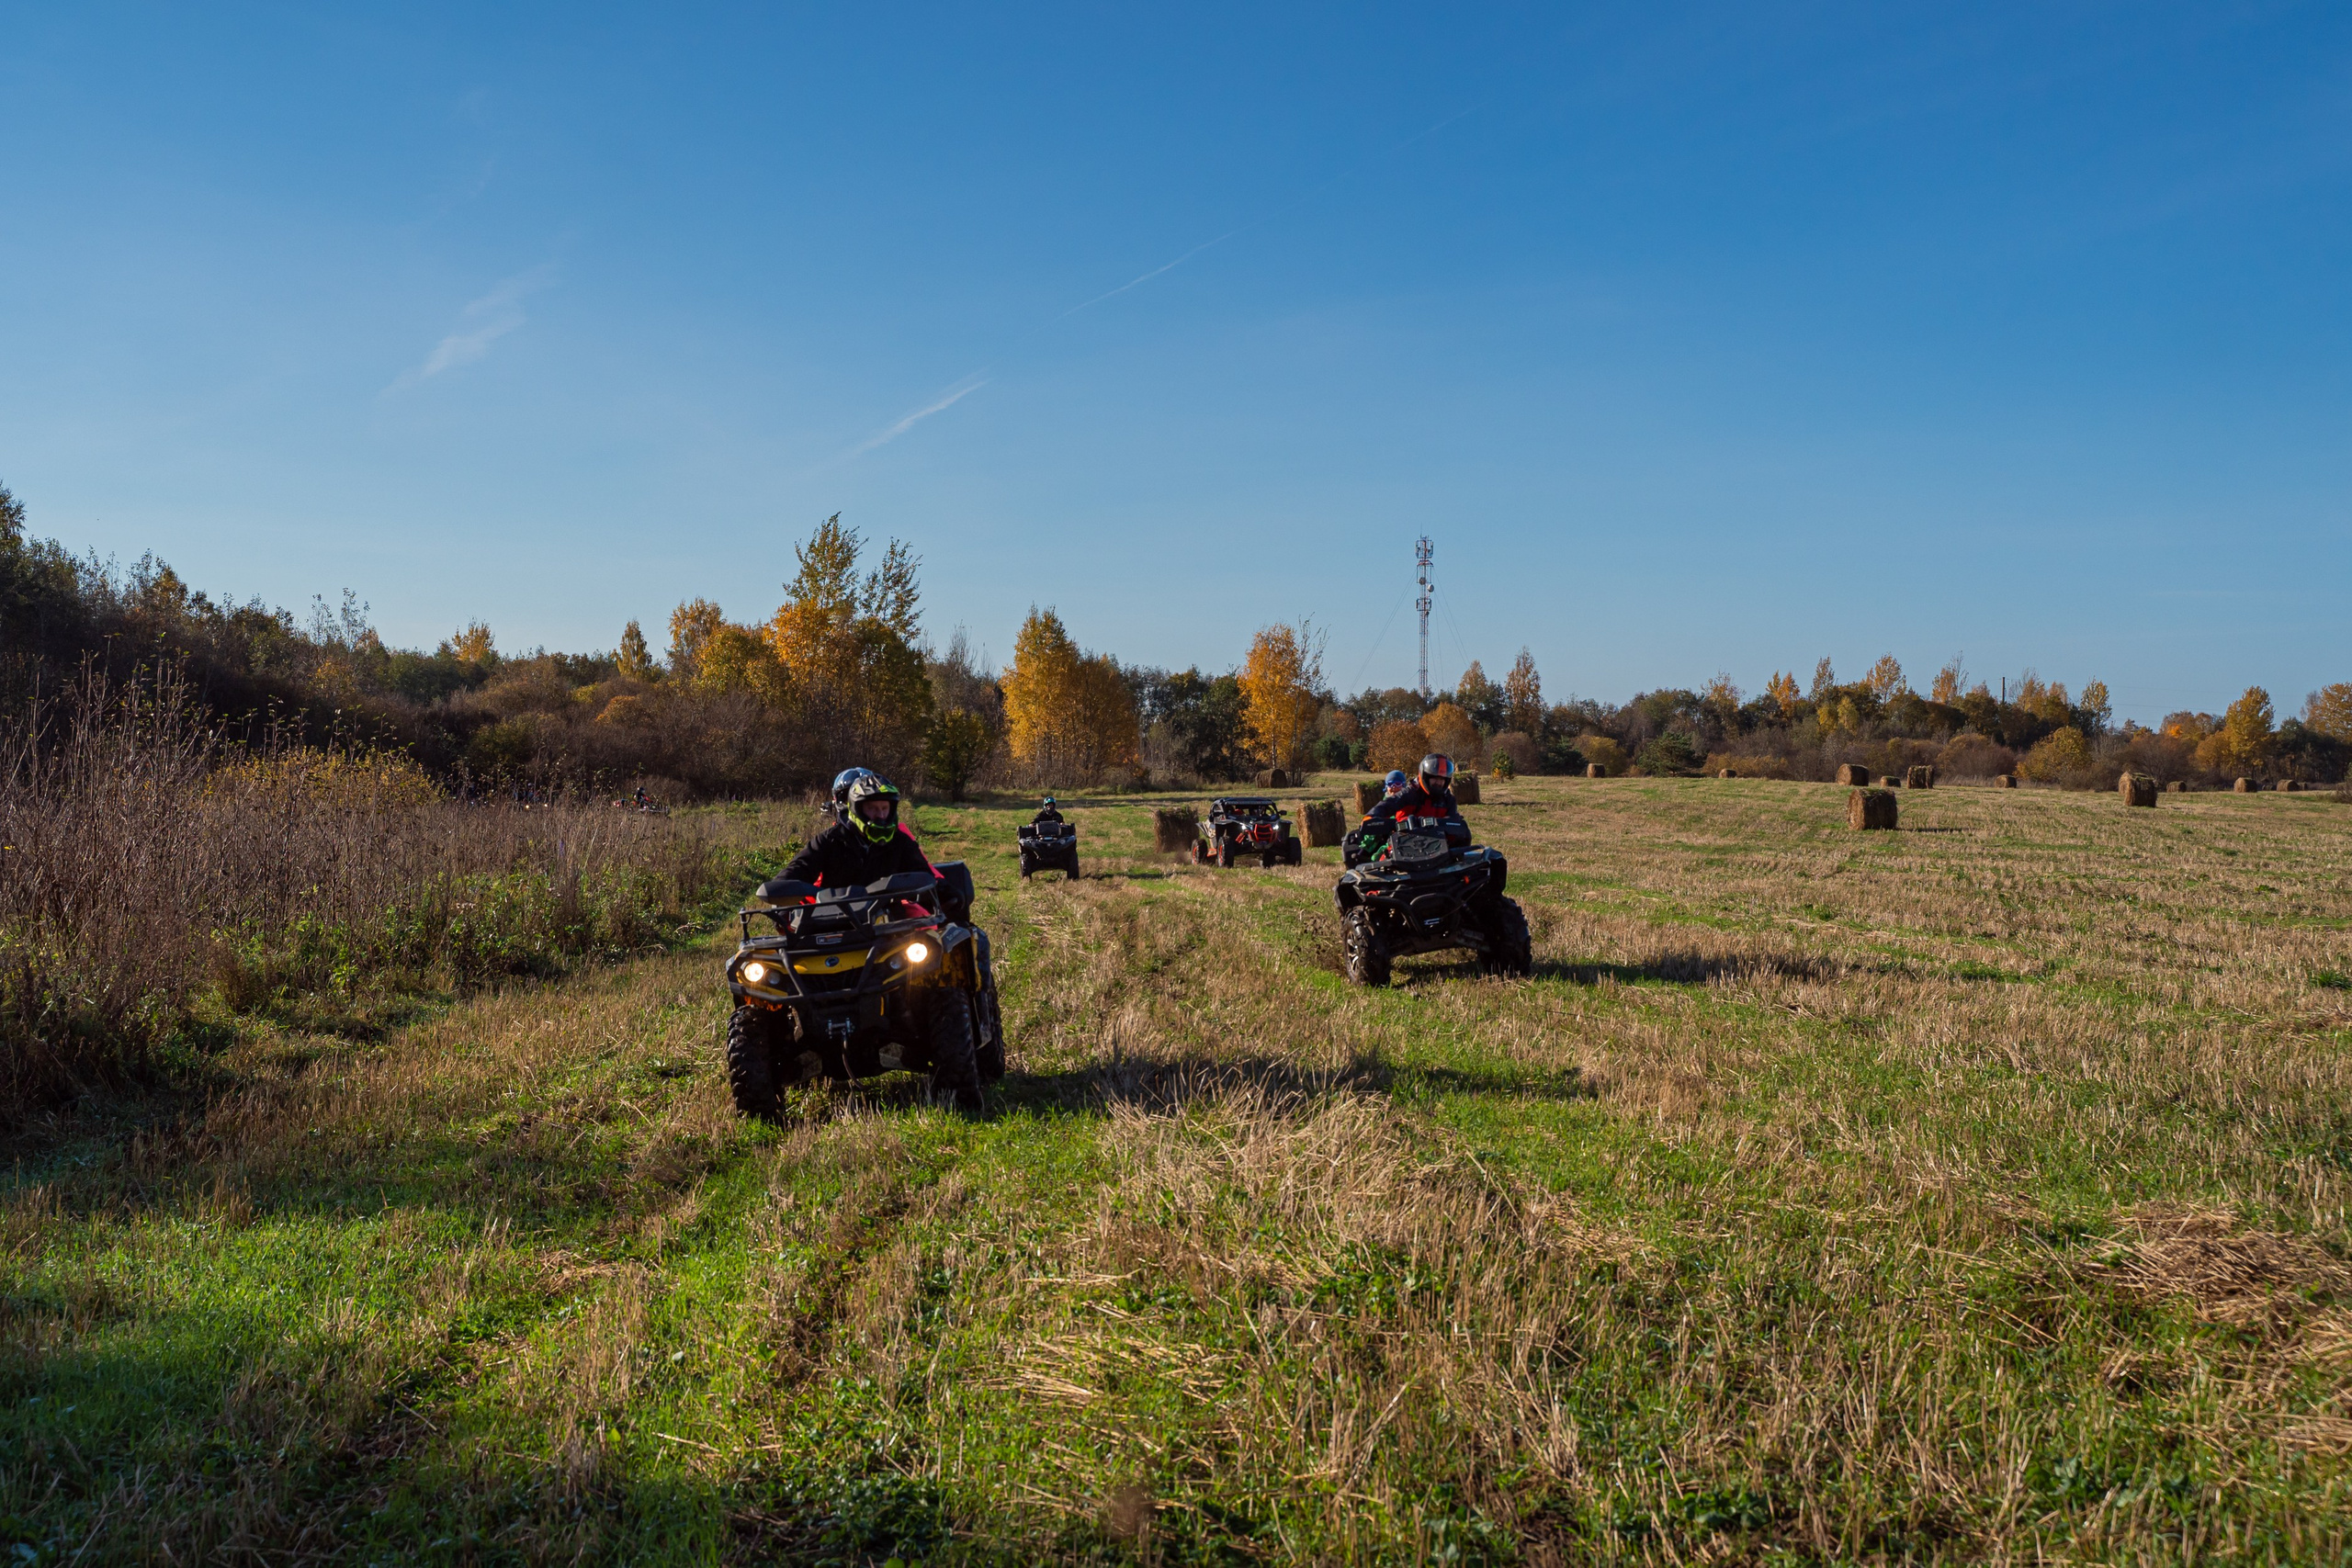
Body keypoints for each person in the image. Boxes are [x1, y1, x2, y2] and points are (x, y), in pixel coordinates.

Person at [786, 773, 935, 889]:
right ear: (857, 810)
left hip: (890, 920)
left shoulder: (900, 841)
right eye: (872, 809)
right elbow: (796, 871)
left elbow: (926, 877)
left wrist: (950, 899)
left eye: (885, 808)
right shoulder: (829, 840)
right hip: (838, 919)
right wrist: (782, 899)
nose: (880, 815)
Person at [1350, 752, 1470, 859]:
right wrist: (1371, 816)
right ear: (1425, 776)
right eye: (1435, 778)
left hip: (1438, 848)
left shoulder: (1448, 799)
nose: (1439, 782)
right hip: (1403, 846)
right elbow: (1388, 804)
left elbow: (1453, 823)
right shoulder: (1409, 793)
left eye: (1442, 779)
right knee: (1377, 863)